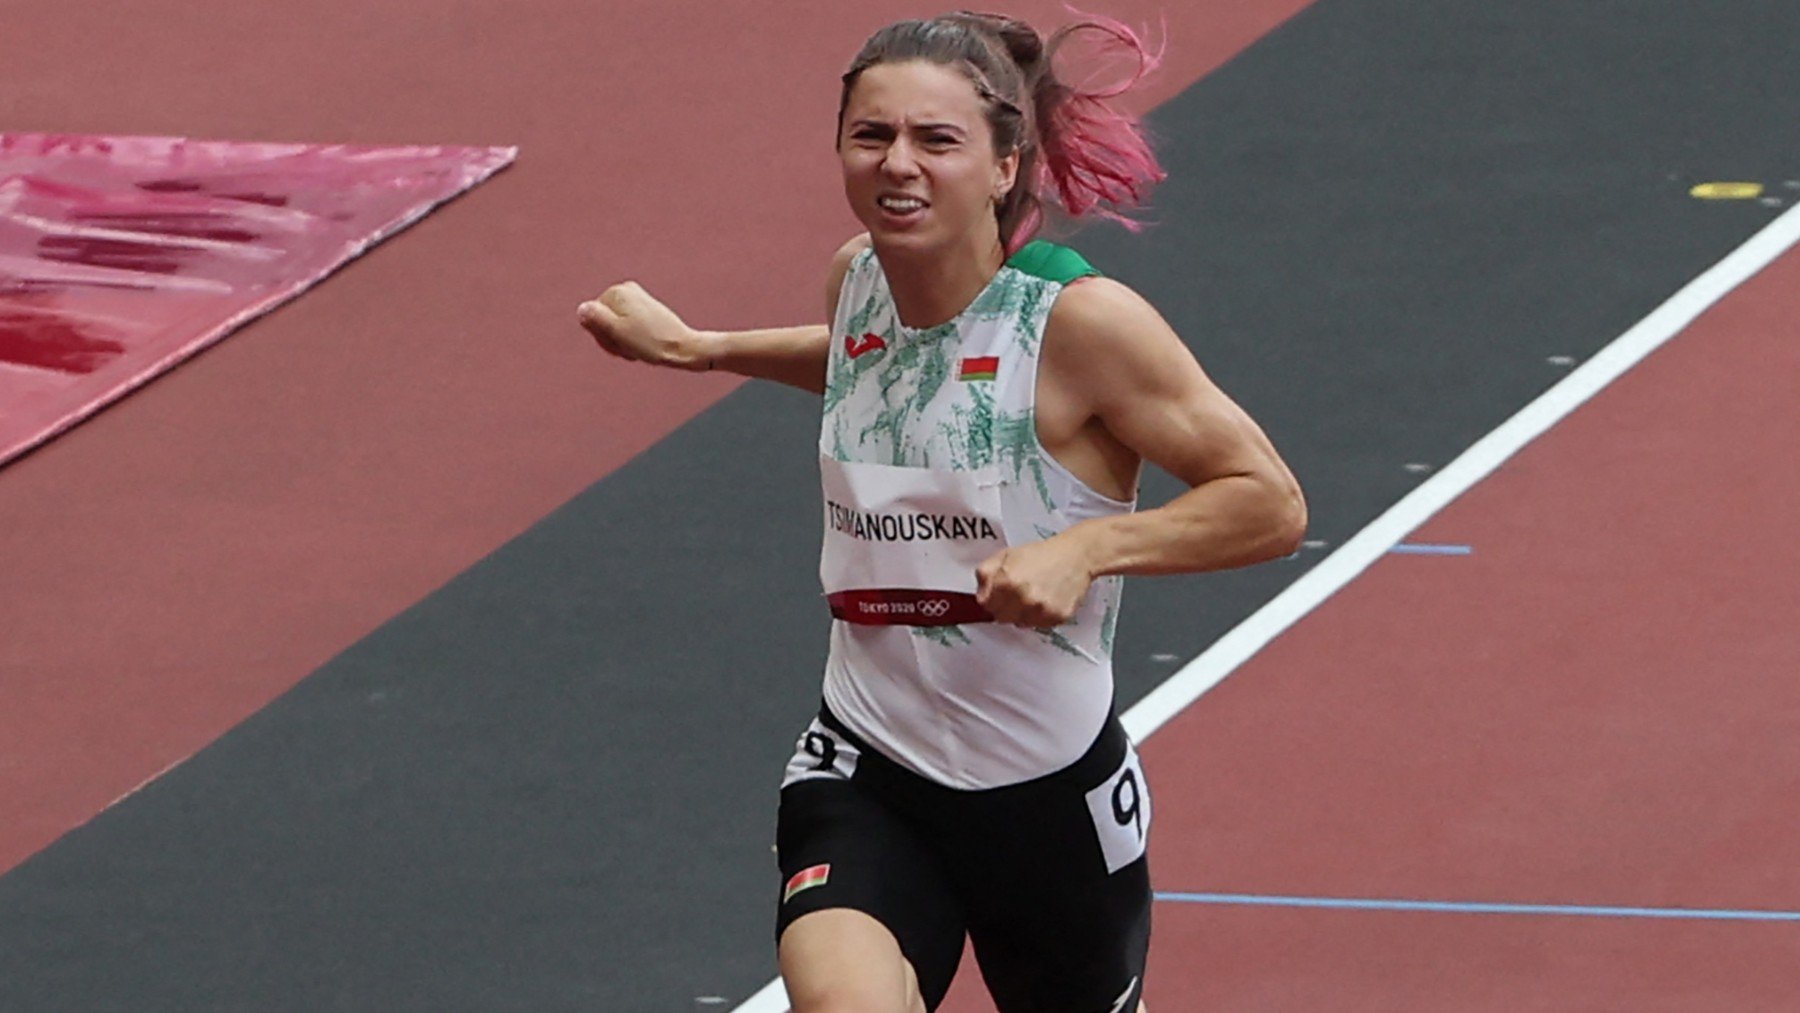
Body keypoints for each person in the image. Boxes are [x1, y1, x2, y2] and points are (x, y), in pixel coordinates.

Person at [578, 11, 1305, 1012]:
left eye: (937, 140)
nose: (898, 165)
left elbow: (1268, 501)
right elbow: (873, 368)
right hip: (870, 765)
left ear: (1008, 164)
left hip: (1049, 800)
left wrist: (1088, 548)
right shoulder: (860, 282)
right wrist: (702, 348)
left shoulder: (1082, 329)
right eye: (872, 135)